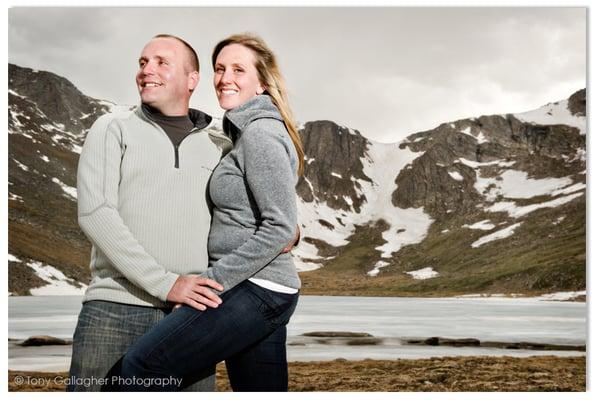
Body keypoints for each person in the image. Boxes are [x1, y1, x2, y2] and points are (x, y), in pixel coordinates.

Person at [103, 33, 305, 392]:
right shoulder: (243, 133)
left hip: (256, 289)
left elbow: (279, 225)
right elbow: (281, 216)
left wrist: (213, 283)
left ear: (261, 83)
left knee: (139, 368)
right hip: (263, 290)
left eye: (238, 70)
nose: (225, 78)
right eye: (220, 68)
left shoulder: (260, 133)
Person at [69, 34, 233, 391]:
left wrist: (290, 230)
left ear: (192, 80)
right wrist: (166, 284)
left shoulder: (221, 143)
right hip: (114, 308)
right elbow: (95, 212)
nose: (147, 70)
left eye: (161, 62)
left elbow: (247, 210)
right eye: (143, 62)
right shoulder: (112, 127)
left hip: (188, 316)